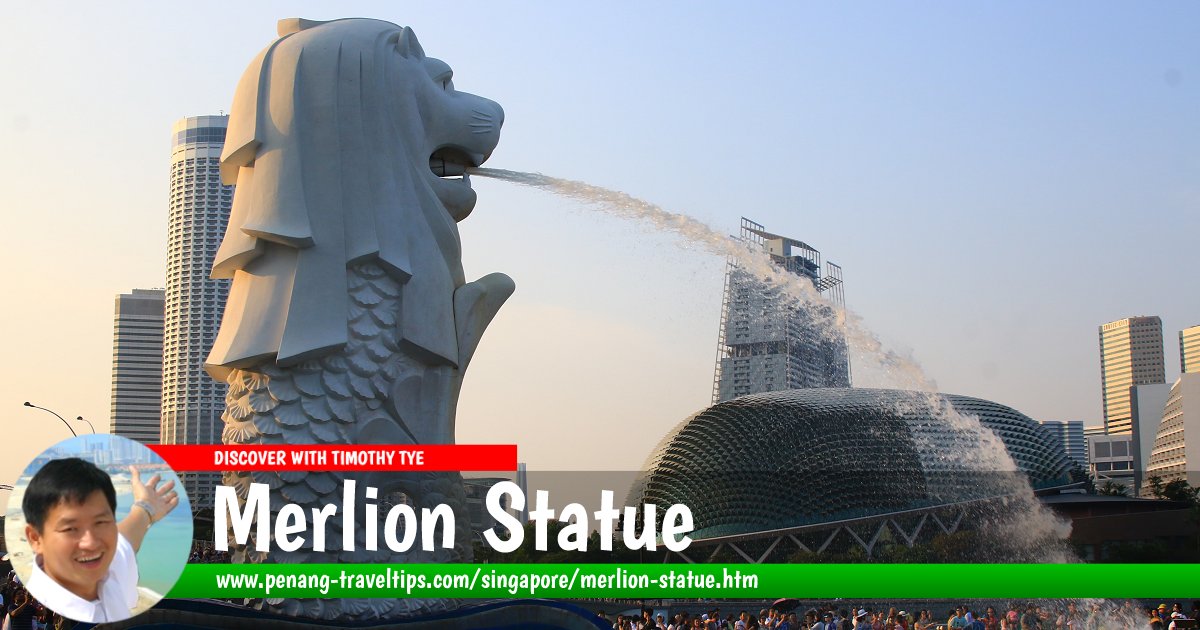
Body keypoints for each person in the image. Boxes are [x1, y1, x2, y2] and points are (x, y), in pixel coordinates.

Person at [21, 459, 179, 623]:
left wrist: (146, 507)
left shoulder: (108, 570)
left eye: (100, 522)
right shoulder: (49, 607)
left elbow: (125, 541)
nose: (91, 543)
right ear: (35, 538)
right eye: (70, 529)